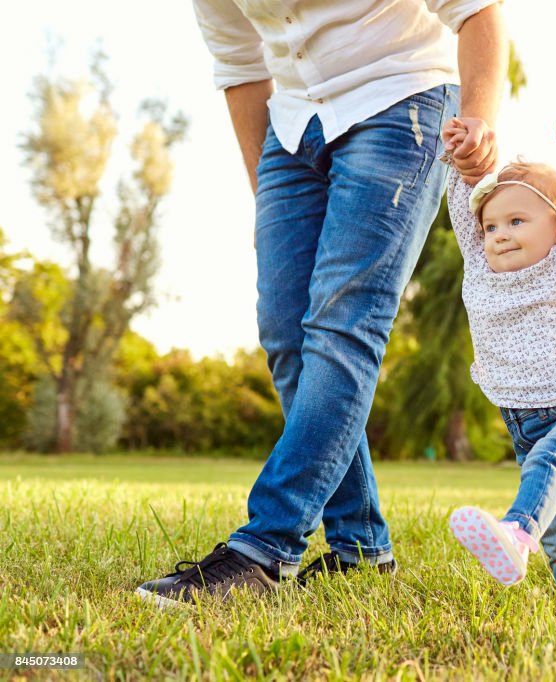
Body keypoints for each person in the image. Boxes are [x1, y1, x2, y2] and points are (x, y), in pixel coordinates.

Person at [136, 0, 507, 606]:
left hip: (400, 102)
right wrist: (270, 207)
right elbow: (240, 69)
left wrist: (480, 117)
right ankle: (362, 548)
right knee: (286, 334)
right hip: (290, 126)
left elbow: (476, 12)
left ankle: (265, 548)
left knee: (342, 325)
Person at [441, 118, 556, 624]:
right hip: (523, 418)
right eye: (492, 226)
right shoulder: (481, 269)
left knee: (547, 465)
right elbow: (464, 203)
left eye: (517, 221)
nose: (500, 235)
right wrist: (462, 159)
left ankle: (516, 533)